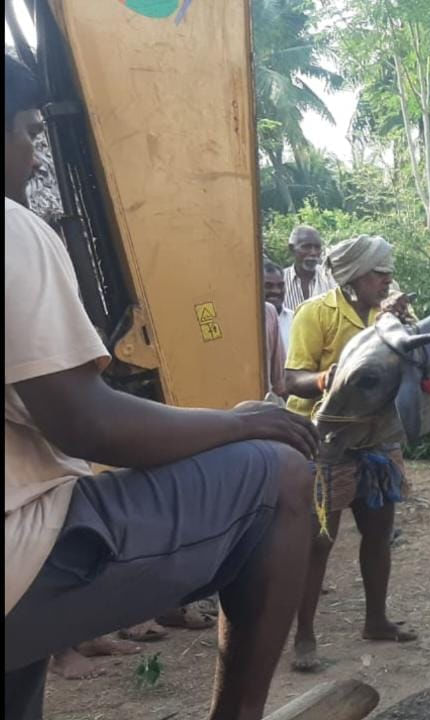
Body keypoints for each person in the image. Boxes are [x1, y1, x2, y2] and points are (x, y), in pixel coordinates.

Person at [4, 56, 319, 720]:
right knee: (282, 475)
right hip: (16, 567)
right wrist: (240, 422)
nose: (35, 159)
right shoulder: (12, 231)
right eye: (29, 133)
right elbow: (86, 425)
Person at [284, 235, 417, 672]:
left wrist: (400, 326)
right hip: (326, 442)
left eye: (388, 271)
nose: (388, 278)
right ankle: (304, 634)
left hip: (375, 440)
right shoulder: (315, 314)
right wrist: (335, 379)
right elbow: (291, 381)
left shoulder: (390, 316)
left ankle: (375, 621)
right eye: (379, 272)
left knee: (379, 533)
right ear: (355, 276)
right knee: (319, 541)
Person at [281, 225, 336, 312]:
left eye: (317, 247)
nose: (313, 253)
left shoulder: (331, 279)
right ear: (292, 249)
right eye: (306, 247)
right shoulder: (280, 281)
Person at [264, 259, 295, 352]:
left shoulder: (295, 319)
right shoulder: (248, 322)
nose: (276, 291)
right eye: (268, 286)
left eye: (280, 286)